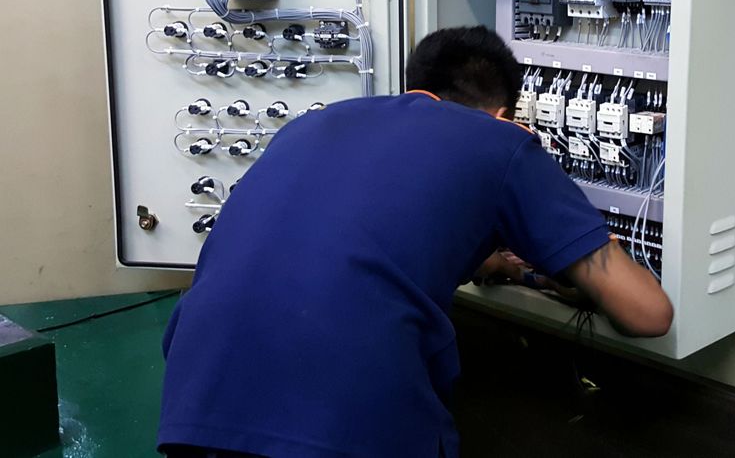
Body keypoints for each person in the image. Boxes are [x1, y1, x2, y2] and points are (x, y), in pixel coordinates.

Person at [158, 26, 673, 458]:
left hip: (195, 402)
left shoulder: (314, 124)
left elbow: (369, 236)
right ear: (502, 113)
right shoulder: (503, 143)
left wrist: (504, 267)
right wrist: (567, 273)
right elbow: (648, 314)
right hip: (344, 420)